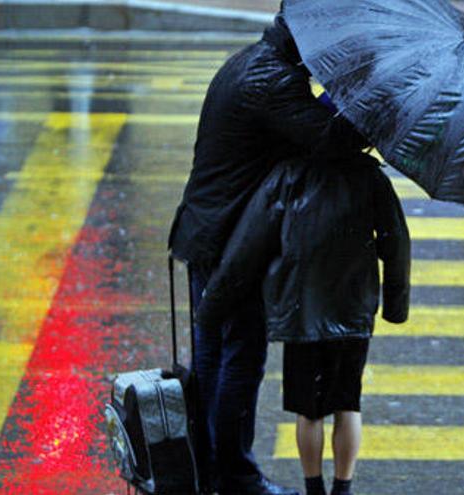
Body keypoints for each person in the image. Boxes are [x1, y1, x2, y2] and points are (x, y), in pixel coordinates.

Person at [167, 10, 365, 495]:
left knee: (214, 356)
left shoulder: (253, 63)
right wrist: (368, 97)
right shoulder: (272, 81)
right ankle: (235, 477)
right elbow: (334, 140)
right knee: (239, 357)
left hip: (209, 233)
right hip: (229, 245)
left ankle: (214, 472)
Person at [194, 145, 411, 495]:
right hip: (353, 309)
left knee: (308, 410)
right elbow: (396, 242)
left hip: (301, 310)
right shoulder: (371, 177)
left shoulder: (289, 175)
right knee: (347, 403)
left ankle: (313, 488)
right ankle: (343, 488)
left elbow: (249, 244)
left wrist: (212, 305)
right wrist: (395, 306)